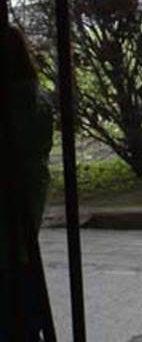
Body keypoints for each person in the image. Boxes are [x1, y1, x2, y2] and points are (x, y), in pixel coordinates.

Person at [0, 24, 55, 341]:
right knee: (22, 263)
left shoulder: (14, 105)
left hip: (13, 200)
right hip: (30, 194)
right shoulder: (37, 98)